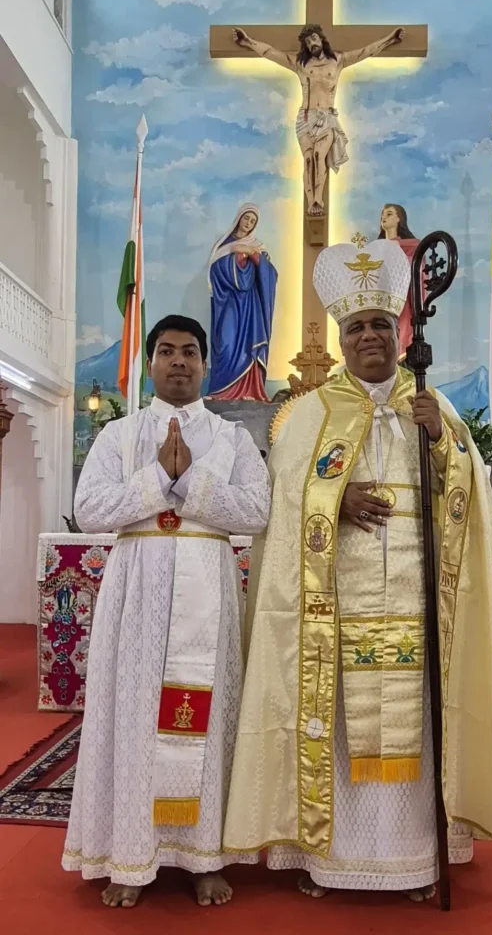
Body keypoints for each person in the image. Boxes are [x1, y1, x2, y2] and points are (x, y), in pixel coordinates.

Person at [224, 241, 492, 899]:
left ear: (397, 333)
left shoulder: (434, 405)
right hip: (332, 603)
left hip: (419, 600)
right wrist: (333, 502)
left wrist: (441, 442)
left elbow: (467, 499)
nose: (367, 336)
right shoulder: (307, 414)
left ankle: (419, 861)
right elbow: (277, 507)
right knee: (333, 722)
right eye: (354, 327)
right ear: (339, 338)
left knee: (419, 720)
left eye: (376, 324)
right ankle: (327, 859)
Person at [62, 315, 271, 908]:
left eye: (189, 352)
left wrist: (193, 483)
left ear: (206, 365)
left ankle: (204, 857)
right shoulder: (119, 436)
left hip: (208, 585)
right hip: (138, 594)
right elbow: (93, 507)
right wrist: (160, 476)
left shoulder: (230, 439)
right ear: (150, 363)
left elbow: (257, 510)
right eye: (167, 352)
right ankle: (131, 856)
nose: (179, 362)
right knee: (134, 719)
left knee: (209, 722)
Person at [233, 24, 404, 217]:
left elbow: (367, 52)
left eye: (313, 38)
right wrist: (247, 41)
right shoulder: (300, 64)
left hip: (327, 117)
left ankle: (318, 199)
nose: (311, 43)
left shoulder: (338, 60)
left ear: (321, 39)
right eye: (307, 41)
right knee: (307, 160)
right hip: (305, 117)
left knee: (318, 156)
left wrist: (391, 38)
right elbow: (270, 53)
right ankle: (309, 202)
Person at [208, 203, 277, 402]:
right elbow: (214, 272)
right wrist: (236, 256)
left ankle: (251, 391)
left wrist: (252, 254)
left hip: (250, 306)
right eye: (247, 218)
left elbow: (269, 275)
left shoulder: (257, 245)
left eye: (253, 221)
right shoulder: (222, 246)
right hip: (228, 302)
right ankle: (220, 391)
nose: (248, 223)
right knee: (226, 343)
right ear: (239, 218)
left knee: (250, 346)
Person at [378, 203, 420, 357]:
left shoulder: (411, 246)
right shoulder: (376, 249)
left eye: (389, 214)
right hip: (381, 299)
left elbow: (416, 271)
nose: (383, 217)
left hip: (402, 298)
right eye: (382, 214)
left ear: (399, 219)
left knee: (401, 332)